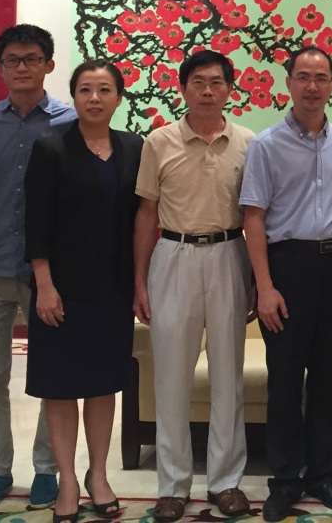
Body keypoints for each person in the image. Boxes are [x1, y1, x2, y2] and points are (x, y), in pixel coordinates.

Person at [133, 50, 255, 523]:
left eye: (217, 82)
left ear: (229, 89)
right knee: (171, 377)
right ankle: (173, 485)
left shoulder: (247, 142)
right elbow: (146, 213)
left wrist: (255, 279)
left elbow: (254, 216)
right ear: (183, 88)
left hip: (229, 253)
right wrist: (139, 280)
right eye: (198, 82)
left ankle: (225, 481)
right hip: (174, 254)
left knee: (228, 376)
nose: (207, 90)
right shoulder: (159, 141)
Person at [240, 47, 332, 522]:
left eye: (321, 77)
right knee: (285, 380)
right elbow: (253, 217)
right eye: (303, 77)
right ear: (288, 83)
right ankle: (285, 479)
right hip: (287, 268)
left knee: (329, 377)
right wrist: (264, 286)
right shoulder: (265, 145)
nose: (312, 86)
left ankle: (323, 475)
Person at [24, 59, 143, 523]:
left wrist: (138, 283)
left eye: (105, 89)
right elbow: (36, 222)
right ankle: (68, 480)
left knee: (102, 383)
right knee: (60, 386)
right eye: (85, 90)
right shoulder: (51, 147)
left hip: (112, 287)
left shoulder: (133, 147)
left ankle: (99, 475)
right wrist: (44, 285)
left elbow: (141, 220)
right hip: (62, 288)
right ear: (73, 96)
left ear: (119, 97)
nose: (95, 98)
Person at [0, 24, 76, 512]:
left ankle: (47, 469)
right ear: (0, 67)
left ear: (49, 65)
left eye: (32, 59)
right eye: (12, 60)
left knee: (53, 375)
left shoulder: (72, 122)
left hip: (48, 272)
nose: (22, 67)